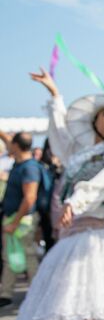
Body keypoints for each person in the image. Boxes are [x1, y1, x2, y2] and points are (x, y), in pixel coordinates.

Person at [17, 69, 104, 320]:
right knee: (68, 312)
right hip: (69, 238)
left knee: (87, 313)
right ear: (95, 119)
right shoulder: (80, 152)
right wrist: (55, 94)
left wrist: (75, 201)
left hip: (94, 240)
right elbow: (59, 135)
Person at [0, 131, 40, 308]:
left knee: (29, 256)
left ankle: (37, 292)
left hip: (22, 220)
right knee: (9, 256)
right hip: (15, 218)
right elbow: (10, 142)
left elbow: (29, 197)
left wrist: (15, 222)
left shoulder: (28, 167)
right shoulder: (20, 162)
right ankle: (6, 294)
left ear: (16, 145)